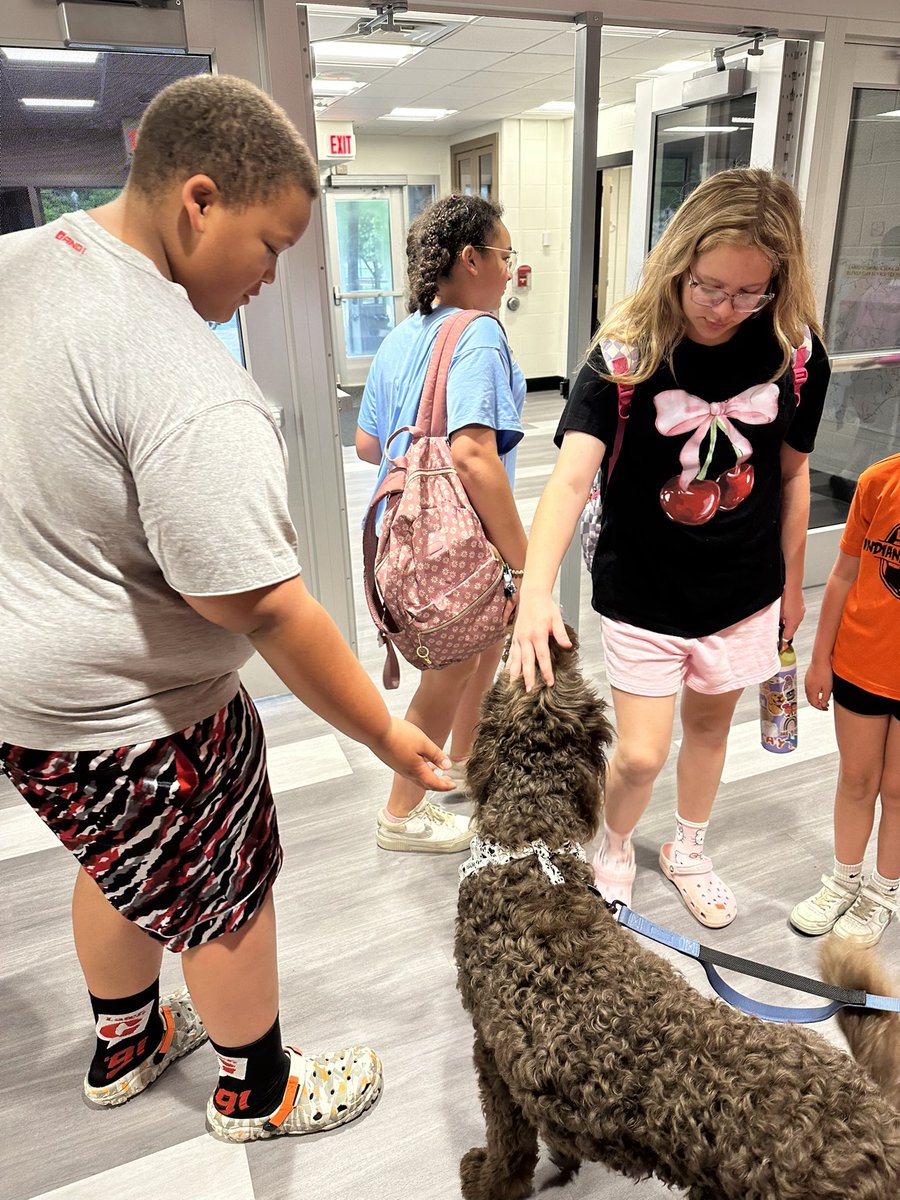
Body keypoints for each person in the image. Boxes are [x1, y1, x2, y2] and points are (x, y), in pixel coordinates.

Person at [0, 74, 457, 1143]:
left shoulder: (22, 264)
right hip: (144, 709)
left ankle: (128, 1043)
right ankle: (260, 1089)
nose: (272, 275)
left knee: (118, 864)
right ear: (198, 201)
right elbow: (263, 606)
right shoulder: (179, 375)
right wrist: (391, 734)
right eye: (271, 243)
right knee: (224, 885)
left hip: (31, 702)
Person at [509, 168, 830, 928]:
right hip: (643, 590)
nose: (727, 308)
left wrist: (791, 585)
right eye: (710, 286)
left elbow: (792, 477)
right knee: (642, 753)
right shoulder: (626, 354)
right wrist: (534, 591)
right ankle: (614, 844)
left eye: (750, 292)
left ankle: (689, 847)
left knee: (712, 729)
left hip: (744, 590)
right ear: (677, 261)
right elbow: (567, 481)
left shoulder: (795, 352)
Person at [356, 194, 528, 853]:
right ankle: (402, 812)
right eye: (504, 254)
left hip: (402, 530)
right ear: (470, 258)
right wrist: (524, 559)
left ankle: (461, 765)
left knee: (476, 649)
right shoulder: (477, 333)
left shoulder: (402, 334)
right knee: (450, 670)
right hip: (457, 537)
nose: (510, 269)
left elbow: (371, 447)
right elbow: (474, 454)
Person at [789, 453, 900, 947]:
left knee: (898, 790)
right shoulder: (879, 481)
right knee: (856, 779)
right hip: (860, 663)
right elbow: (842, 575)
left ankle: (883, 892)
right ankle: (844, 881)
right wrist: (819, 658)